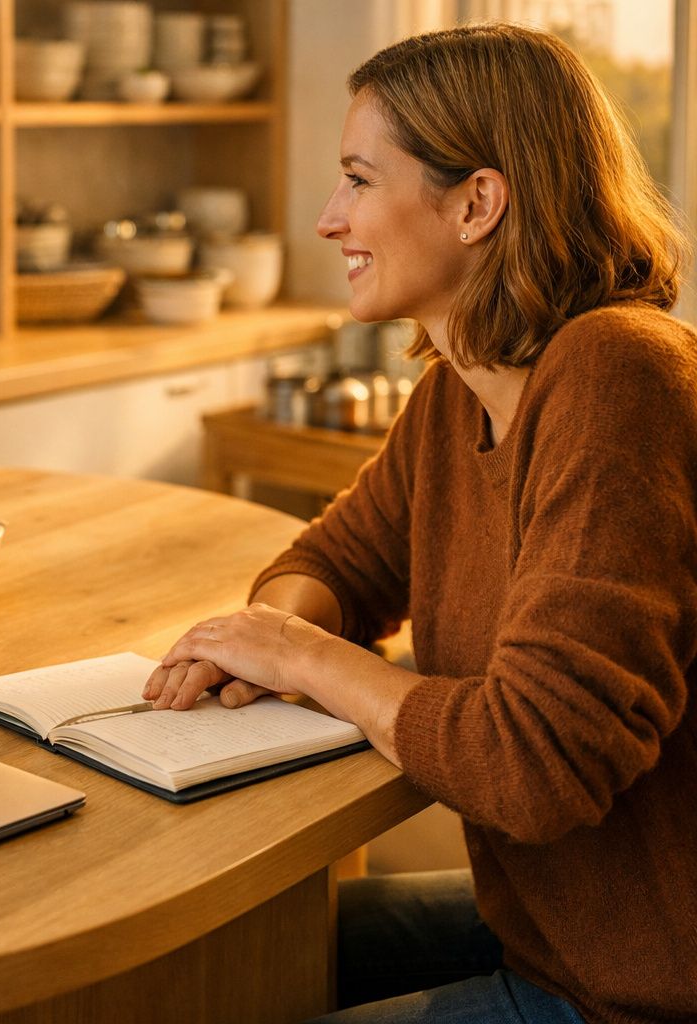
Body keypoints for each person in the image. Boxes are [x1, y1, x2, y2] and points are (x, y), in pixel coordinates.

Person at [142, 24, 695, 1024]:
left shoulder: (621, 375)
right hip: (553, 920)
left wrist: (300, 657)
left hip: (646, 982)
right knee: (183, 964)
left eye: (358, 179)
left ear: (478, 203)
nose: (326, 219)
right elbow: (337, 557)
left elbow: (535, 765)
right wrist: (264, 639)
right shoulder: (460, 392)